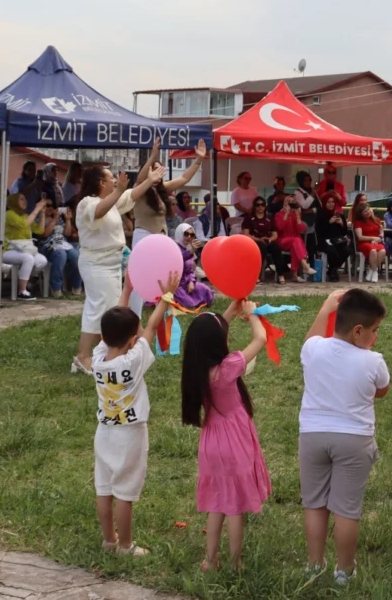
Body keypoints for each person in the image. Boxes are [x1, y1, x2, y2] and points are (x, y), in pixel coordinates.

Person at [299, 289, 389, 586]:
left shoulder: (313, 349)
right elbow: (382, 389)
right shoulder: (373, 361)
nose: (375, 337)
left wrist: (325, 308)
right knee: (347, 509)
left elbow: (309, 341)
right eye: (374, 331)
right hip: (354, 439)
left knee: (315, 504)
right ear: (358, 331)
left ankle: (314, 564)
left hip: (312, 435)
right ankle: (344, 570)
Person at [180, 299, 271, 572]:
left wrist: (230, 312)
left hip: (211, 441)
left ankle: (210, 559)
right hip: (233, 440)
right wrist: (253, 312)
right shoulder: (229, 367)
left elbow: (210, 336)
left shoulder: (197, 370)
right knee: (234, 506)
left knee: (218, 502)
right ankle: (235, 562)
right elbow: (261, 338)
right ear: (218, 342)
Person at [92, 273, 178, 558]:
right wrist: (166, 298)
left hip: (104, 432)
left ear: (104, 337)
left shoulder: (98, 359)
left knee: (104, 488)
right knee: (125, 494)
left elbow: (119, 324)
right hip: (130, 434)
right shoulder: (134, 359)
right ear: (132, 339)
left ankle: (108, 540)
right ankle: (126, 546)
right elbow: (152, 326)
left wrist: (126, 291)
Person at [74, 163, 164, 374]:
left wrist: (150, 180)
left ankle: (106, 351)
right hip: (96, 264)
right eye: (111, 178)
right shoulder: (87, 203)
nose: (115, 180)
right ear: (101, 183)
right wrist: (118, 191)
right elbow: (98, 211)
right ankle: (82, 356)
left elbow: (132, 196)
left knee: (110, 307)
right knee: (97, 308)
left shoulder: (112, 201)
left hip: (112, 263)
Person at [129, 139, 206, 314]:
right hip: (143, 236)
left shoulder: (162, 190)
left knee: (161, 277)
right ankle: (135, 314)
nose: (158, 172)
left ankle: (161, 311)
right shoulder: (140, 189)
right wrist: (153, 156)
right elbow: (141, 178)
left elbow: (185, 178)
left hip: (160, 239)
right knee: (139, 277)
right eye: (153, 169)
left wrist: (198, 159)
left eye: (159, 169)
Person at [2, 193, 49, 301]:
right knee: (28, 258)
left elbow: (40, 230)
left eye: (25, 199)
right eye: (21, 199)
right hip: (8, 249)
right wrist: (36, 209)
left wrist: (42, 213)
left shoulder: (25, 216)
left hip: (25, 249)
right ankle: (22, 291)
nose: (25, 201)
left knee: (42, 260)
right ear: (14, 202)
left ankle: (24, 281)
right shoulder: (9, 214)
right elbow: (23, 224)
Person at [242, 196, 295, 285]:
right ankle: (256, 276)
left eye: (262, 205)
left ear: (265, 206)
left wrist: (270, 239)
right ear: (254, 206)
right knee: (261, 247)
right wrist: (258, 239)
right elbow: (246, 234)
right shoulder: (249, 218)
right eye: (258, 205)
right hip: (254, 241)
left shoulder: (269, 218)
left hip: (267, 240)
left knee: (276, 248)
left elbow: (275, 234)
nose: (260, 207)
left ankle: (280, 275)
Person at [38, 200, 82, 298]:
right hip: (47, 245)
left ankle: (76, 286)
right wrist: (54, 219)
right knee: (61, 255)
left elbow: (67, 234)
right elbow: (44, 234)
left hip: (63, 243)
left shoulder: (60, 220)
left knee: (76, 256)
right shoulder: (39, 218)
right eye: (47, 206)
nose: (50, 208)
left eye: (53, 206)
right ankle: (56, 287)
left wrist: (67, 220)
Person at [172, 224, 213, 308]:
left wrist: (191, 281)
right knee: (189, 304)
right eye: (186, 234)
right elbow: (178, 259)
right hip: (176, 286)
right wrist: (191, 252)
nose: (189, 237)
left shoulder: (188, 248)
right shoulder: (173, 247)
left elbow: (191, 270)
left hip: (187, 284)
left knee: (206, 291)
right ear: (180, 233)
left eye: (192, 235)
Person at [313, 192, 349, 282]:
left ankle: (332, 269)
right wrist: (329, 222)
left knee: (347, 250)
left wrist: (341, 224)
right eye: (328, 202)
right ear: (325, 203)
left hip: (337, 240)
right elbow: (319, 232)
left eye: (333, 202)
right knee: (332, 250)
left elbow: (344, 232)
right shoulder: (321, 215)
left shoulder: (339, 215)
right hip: (323, 241)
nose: (331, 204)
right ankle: (333, 271)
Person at [352, 203, 385, 283]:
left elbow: (382, 232)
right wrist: (373, 238)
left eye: (368, 210)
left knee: (383, 251)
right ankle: (375, 272)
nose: (368, 212)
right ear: (361, 214)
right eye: (365, 211)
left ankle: (372, 270)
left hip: (377, 242)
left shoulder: (376, 220)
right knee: (373, 251)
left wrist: (379, 238)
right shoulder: (358, 222)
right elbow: (360, 237)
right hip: (364, 242)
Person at [292, 171, 322, 261]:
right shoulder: (298, 193)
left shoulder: (311, 191)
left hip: (313, 223)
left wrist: (313, 210)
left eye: (309, 180)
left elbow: (319, 205)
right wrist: (312, 195)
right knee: (305, 247)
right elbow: (304, 206)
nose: (308, 182)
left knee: (312, 247)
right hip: (304, 224)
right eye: (305, 180)